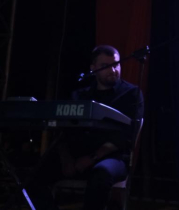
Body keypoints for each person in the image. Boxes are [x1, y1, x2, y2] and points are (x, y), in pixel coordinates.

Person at [27, 45, 144, 210]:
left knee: (101, 175)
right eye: (106, 66)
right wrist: (66, 158)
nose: (113, 70)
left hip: (112, 156)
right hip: (77, 155)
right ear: (93, 68)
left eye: (116, 64)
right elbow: (63, 131)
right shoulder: (80, 95)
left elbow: (126, 136)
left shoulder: (131, 94)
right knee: (33, 177)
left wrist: (92, 157)